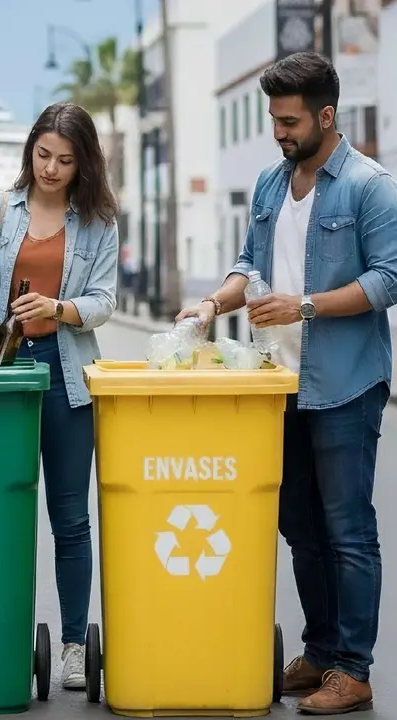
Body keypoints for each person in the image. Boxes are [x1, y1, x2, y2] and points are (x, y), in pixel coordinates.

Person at [177, 51, 397, 715]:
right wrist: (215, 303)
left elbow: (389, 278)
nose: (280, 131)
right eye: (274, 119)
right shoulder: (273, 185)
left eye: (290, 120)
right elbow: (251, 263)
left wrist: (304, 305)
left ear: (327, 116)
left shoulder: (369, 185)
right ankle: (321, 653)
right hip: (280, 384)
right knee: (299, 525)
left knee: (348, 530)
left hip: (345, 384)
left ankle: (353, 671)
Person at [0, 101, 119, 690]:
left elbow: (104, 301)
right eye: (42, 155)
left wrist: (58, 309)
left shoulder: (98, 222)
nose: (50, 169)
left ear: (83, 164)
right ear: (30, 152)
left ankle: (75, 644)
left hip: (66, 375)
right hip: (1, 372)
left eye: (64, 160)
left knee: (70, 519)